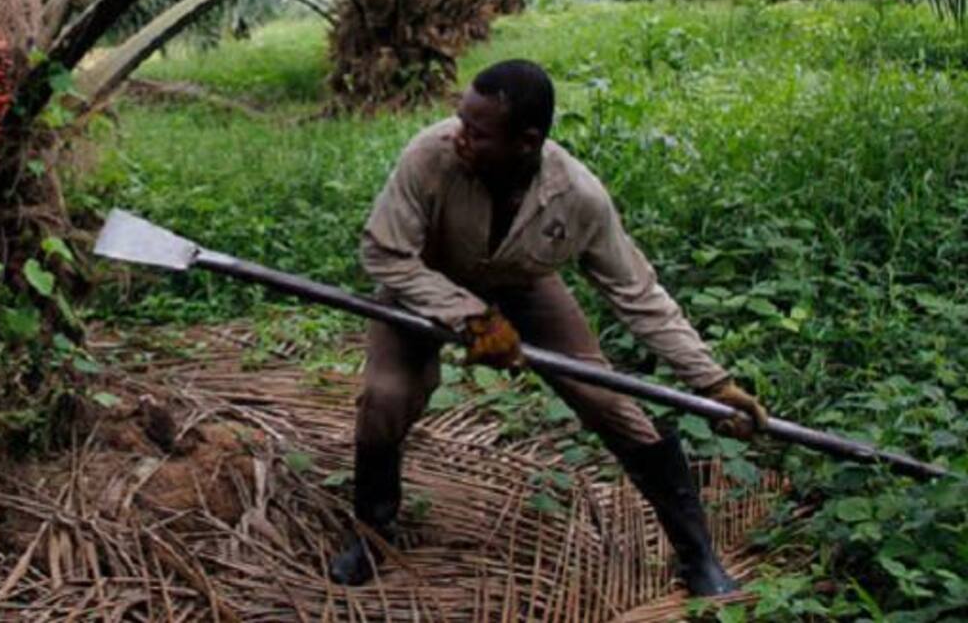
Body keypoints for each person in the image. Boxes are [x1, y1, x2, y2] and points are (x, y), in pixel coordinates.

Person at [329, 59, 769, 596]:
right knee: (385, 396)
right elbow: (385, 253)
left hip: (523, 288)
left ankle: (696, 553)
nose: (459, 136)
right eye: (461, 119)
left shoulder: (579, 197)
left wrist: (712, 382)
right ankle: (372, 531)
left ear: (526, 141)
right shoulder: (430, 155)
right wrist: (471, 318)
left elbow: (638, 294)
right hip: (421, 285)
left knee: (611, 403)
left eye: (478, 131)